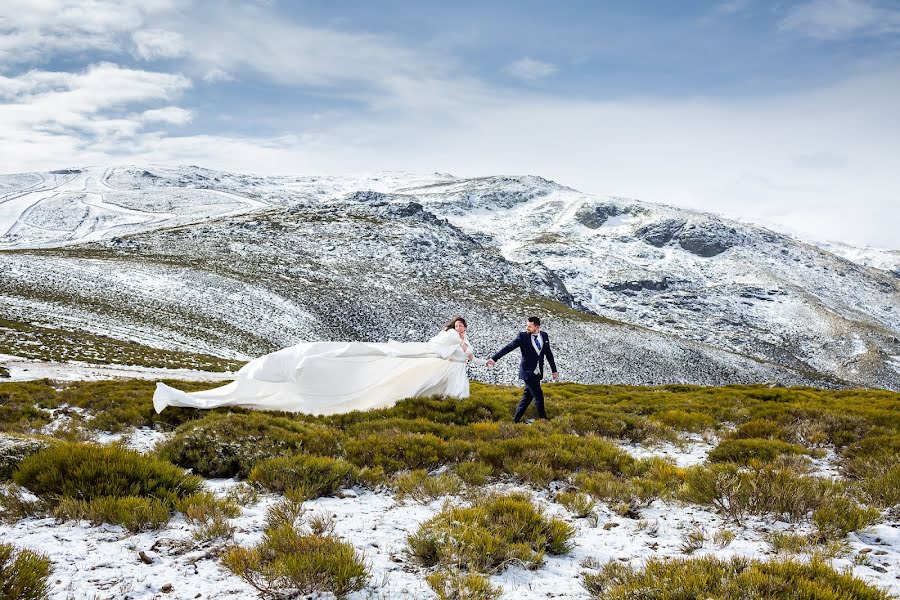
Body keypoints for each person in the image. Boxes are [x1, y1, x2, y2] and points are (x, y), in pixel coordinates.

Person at [153, 316, 486, 416]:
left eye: (462, 327)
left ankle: (453, 412)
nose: (460, 329)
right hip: (445, 366)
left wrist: (473, 356)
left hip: (453, 371)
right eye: (457, 326)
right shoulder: (445, 338)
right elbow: (440, 352)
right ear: (450, 326)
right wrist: (457, 351)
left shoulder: (462, 339)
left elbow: (463, 355)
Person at [486, 316, 558, 422]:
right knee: (539, 396)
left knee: (527, 398)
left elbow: (549, 354)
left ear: (537, 326)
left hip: (538, 372)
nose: (527, 327)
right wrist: (494, 359)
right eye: (527, 325)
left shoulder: (545, 336)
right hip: (527, 372)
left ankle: (515, 420)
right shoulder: (522, 336)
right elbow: (508, 347)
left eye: (529, 326)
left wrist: (554, 370)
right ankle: (544, 421)